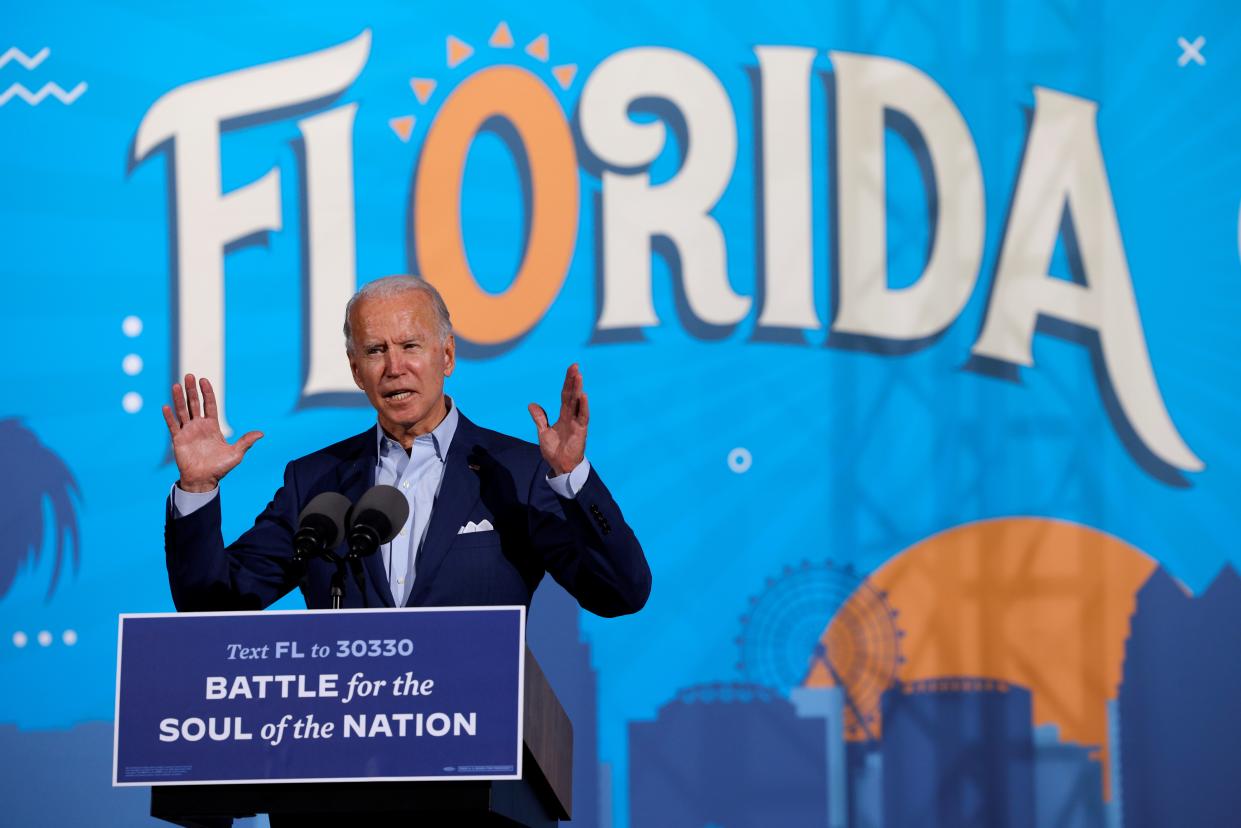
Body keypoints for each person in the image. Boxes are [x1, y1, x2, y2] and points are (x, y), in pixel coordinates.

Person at [162, 275, 651, 617]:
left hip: (476, 747)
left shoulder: (515, 472)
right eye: (375, 351)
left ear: (447, 355)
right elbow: (214, 607)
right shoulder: (314, 482)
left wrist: (572, 479)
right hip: (351, 750)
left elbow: (619, 593)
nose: (394, 367)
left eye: (410, 346)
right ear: (356, 371)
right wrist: (198, 489)